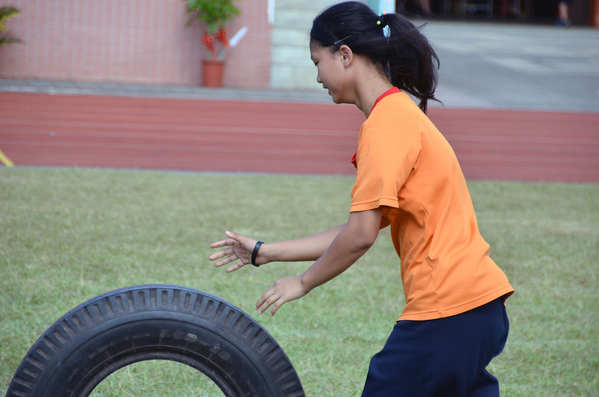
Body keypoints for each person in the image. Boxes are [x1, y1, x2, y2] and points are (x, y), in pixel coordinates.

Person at [209, 2, 514, 396]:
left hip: (447, 312)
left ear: (345, 55)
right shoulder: (400, 113)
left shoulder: (386, 126)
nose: (317, 74)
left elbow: (360, 236)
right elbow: (359, 226)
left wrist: (303, 282)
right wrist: (266, 252)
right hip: (481, 309)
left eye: (317, 61)